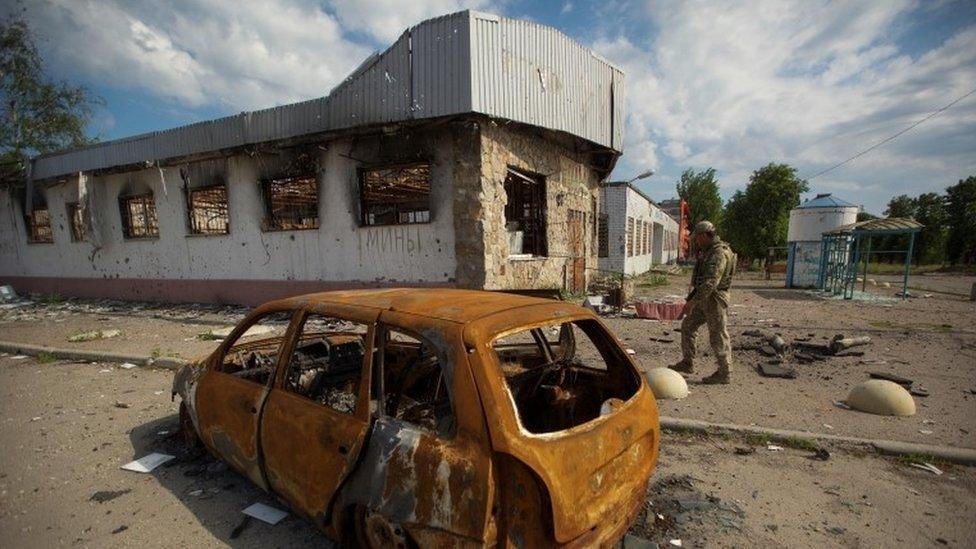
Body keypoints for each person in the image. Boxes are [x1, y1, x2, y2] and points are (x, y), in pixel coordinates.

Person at [671, 221, 737, 384]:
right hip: (703, 298)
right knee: (688, 326)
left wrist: (692, 302)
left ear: (705, 235)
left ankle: (725, 373)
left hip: (714, 300)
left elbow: (710, 283)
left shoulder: (718, 253)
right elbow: (702, 282)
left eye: (697, 238)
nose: (696, 241)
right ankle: (688, 363)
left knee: (718, 335)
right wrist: (692, 299)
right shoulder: (708, 251)